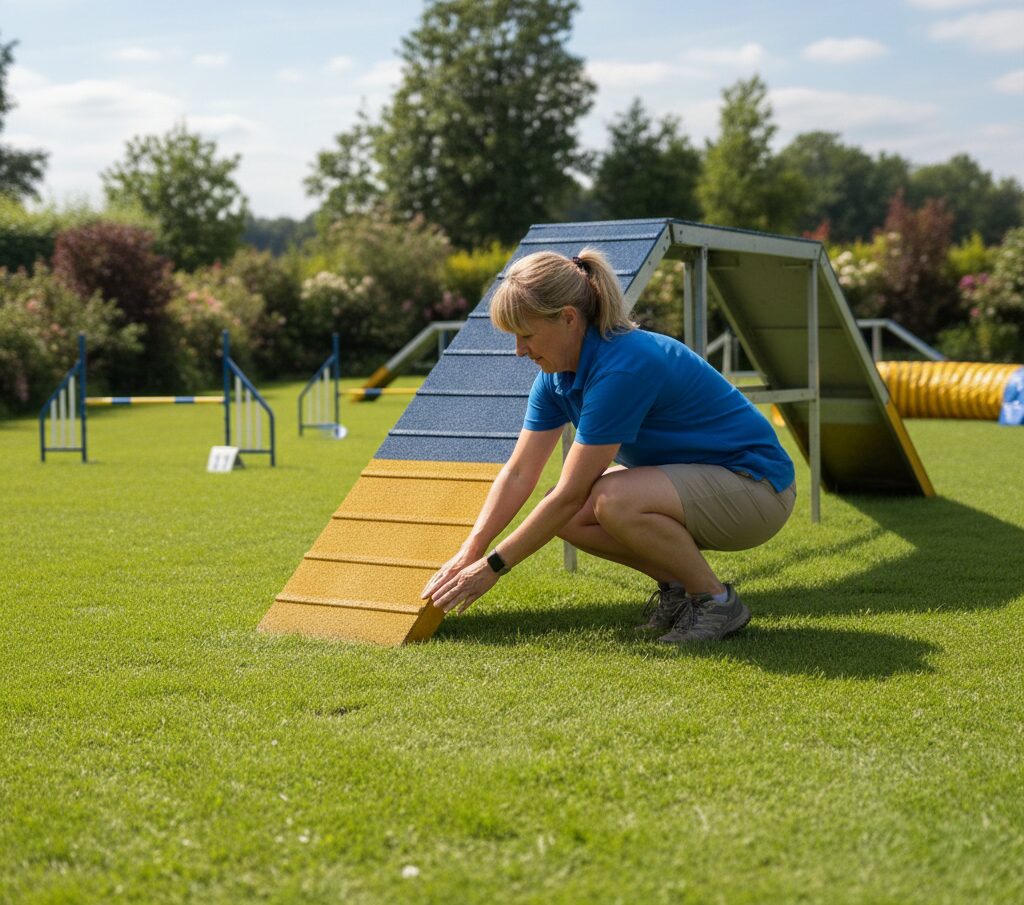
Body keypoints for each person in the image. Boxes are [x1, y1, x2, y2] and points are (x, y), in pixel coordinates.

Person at [421, 248, 796, 644]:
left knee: (611, 497)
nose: (519, 350)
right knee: (568, 513)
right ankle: (679, 589)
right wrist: (471, 550)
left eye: (527, 335)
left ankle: (716, 601)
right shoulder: (554, 378)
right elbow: (518, 473)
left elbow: (573, 491)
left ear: (568, 318)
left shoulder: (624, 365)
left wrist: (492, 567)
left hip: (758, 489)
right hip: (706, 486)